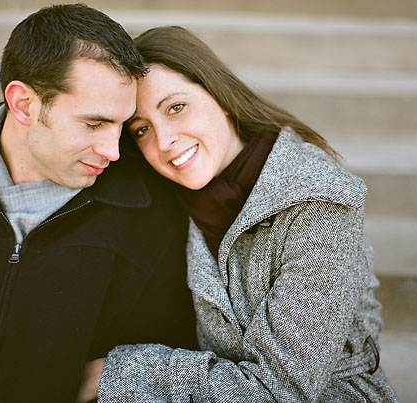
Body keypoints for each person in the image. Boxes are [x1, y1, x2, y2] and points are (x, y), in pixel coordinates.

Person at [92, 26, 398, 402]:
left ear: (220, 96)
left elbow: (279, 389)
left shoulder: (318, 201)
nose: (164, 141)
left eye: (176, 107)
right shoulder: (171, 199)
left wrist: (113, 372)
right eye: (141, 129)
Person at [0, 8, 198, 403]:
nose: (113, 151)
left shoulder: (155, 213)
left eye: (122, 125)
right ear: (25, 105)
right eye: (93, 123)